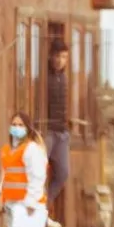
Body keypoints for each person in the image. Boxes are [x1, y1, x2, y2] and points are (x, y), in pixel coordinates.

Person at [43, 39, 71, 209]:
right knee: (37, 174)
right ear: (50, 56)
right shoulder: (44, 77)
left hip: (62, 133)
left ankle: (43, 206)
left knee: (63, 174)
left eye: (64, 57)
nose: (60, 60)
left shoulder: (64, 77)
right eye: (57, 56)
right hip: (46, 131)